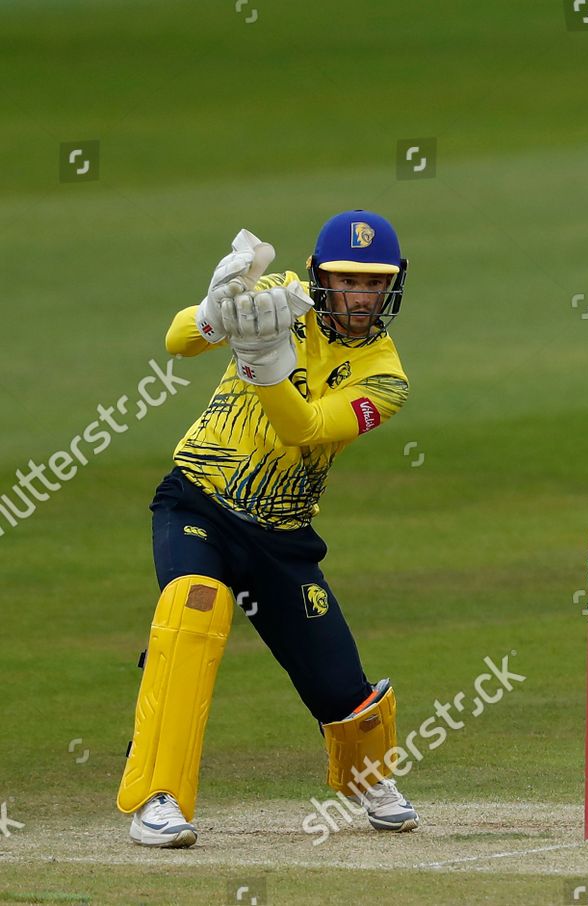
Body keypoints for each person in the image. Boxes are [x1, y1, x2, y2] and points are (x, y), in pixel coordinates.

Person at [117, 210, 419, 847]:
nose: (360, 295)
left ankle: (367, 775)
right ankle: (157, 797)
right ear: (319, 277)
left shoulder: (387, 378)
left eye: (373, 283)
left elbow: (303, 428)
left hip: (282, 535)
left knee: (339, 685)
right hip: (198, 502)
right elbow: (178, 342)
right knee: (193, 611)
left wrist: (261, 363)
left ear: (392, 287)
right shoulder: (280, 294)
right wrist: (210, 315)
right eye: (346, 281)